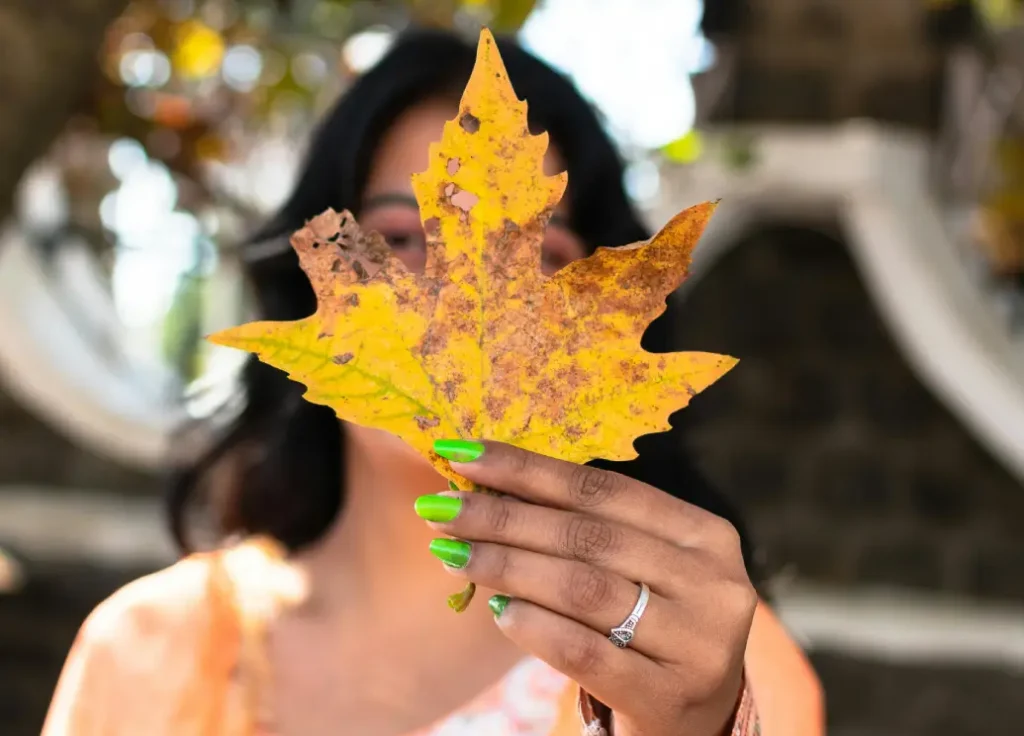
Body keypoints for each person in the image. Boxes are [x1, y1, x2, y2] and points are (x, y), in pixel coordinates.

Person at [42, 28, 823, 736]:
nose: (455, 295)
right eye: (402, 239)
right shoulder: (144, 652)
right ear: (314, 284)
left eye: (539, 252)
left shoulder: (705, 671)